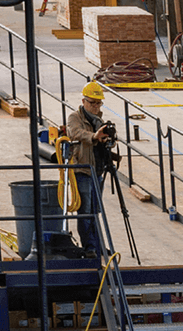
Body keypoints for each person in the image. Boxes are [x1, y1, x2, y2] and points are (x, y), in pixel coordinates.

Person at [65, 82, 116, 253]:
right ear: (83, 101)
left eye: (98, 103)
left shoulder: (99, 121)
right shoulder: (75, 117)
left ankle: (99, 246)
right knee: (85, 212)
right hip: (83, 171)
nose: (95, 106)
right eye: (91, 102)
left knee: (95, 211)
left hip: (97, 171)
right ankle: (90, 248)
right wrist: (94, 136)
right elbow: (75, 133)